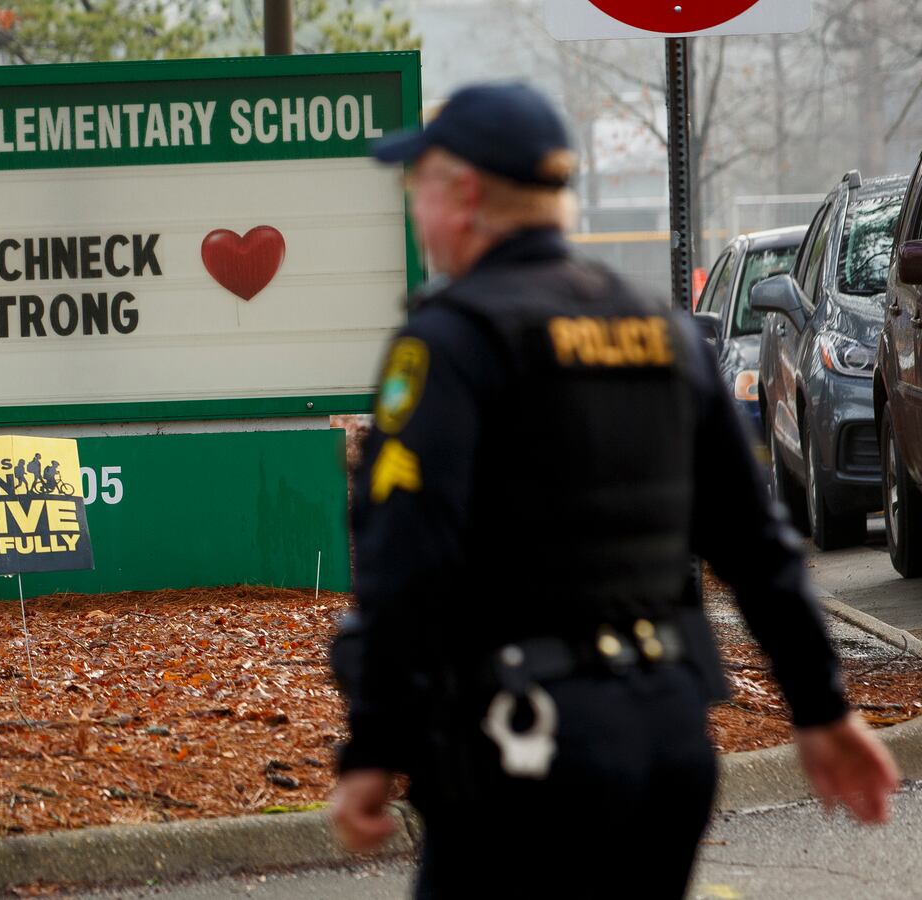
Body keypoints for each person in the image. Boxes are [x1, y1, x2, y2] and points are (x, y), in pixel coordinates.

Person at [329, 82, 898, 898]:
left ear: (461, 195)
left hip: (520, 750)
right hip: (667, 739)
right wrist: (819, 705)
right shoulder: (661, 334)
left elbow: (407, 564)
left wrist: (372, 748)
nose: (416, 210)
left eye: (414, 187)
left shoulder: (451, 346)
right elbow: (756, 543)